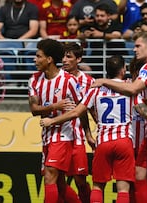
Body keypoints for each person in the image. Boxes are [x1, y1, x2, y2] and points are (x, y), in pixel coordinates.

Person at [91, 31, 147, 203]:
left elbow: (133, 89)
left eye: (138, 46)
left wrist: (104, 81)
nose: (134, 50)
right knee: (139, 173)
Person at [40, 55, 136, 203]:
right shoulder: (129, 89)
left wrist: (52, 121)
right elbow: (145, 111)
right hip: (124, 141)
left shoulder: (96, 90)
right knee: (123, 189)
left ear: (107, 71)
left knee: (97, 186)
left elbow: (76, 112)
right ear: (123, 70)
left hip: (103, 142)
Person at [28, 38, 81, 203]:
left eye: (38, 56)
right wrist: (54, 106)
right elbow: (34, 110)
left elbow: (82, 107)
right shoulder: (34, 80)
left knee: (50, 176)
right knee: (59, 183)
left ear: (49, 59)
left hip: (64, 136)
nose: (34, 60)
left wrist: (88, 133)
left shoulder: (69, 80)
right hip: (47, 135)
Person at [61, 42, 95, 203]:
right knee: (54, 178)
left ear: (79, 59)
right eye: (63, 56)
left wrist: (92, 134)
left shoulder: (89, 82)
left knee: (80, 180)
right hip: (58, 135)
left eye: (69, 56)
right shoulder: (56, 79)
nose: (64, 60)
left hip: (78, 136)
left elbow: (93, 110)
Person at [0, 0, 38, 80]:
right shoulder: (4, 9)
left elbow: (33, 30)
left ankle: (33, 81)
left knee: (33, 48)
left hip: (27, 41)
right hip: (8, 41)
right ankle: (6, 81)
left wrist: (18, 41)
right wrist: (4, 40)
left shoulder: (32, 8)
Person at [78, 3, 126, 78]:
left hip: (116, 60)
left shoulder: (115, 23)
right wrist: (84, 35)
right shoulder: (92, 24)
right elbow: (79, 36)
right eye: (97, 16)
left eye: (102, 16)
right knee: (82, 66)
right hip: (97, 60)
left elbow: (117, 35)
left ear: (109, 16)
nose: (99, 18)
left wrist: (102, 35)